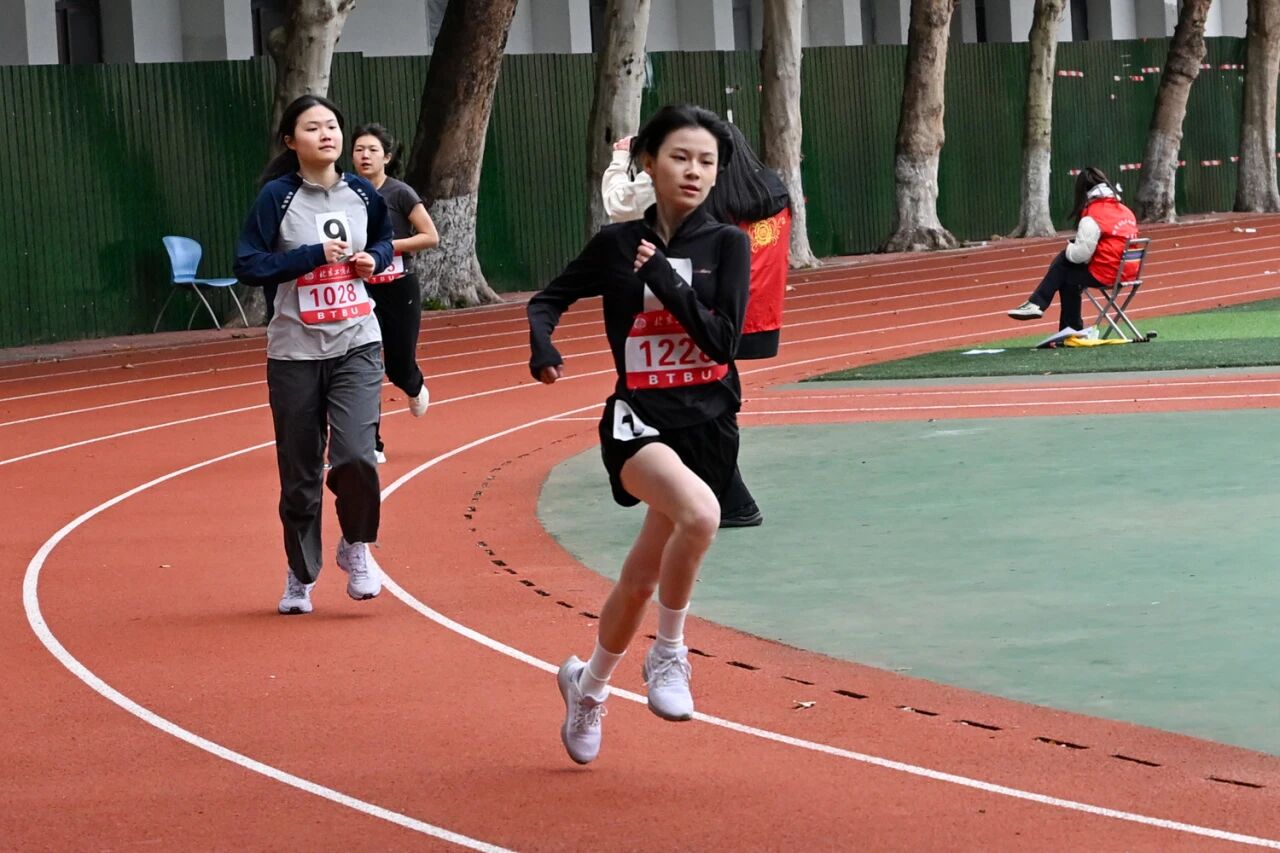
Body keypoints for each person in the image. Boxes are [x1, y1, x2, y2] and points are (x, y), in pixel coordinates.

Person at [529, 104, 749, 765]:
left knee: (638, 579)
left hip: (708, 423)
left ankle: (588, 685)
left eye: (707, 161)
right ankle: (670, 654)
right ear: (649, 162)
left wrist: (664, 280)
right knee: (701, 515)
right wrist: (542, 343)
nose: (693, 171)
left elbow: (722, 339)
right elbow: (548, 298)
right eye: (680, 157)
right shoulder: (617, 243)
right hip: (638, 420)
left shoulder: (727, 244)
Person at [234, 94, 394, 615]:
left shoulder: (363, 194)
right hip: (294, 352)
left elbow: (386, 239)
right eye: (312, 127)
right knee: (301, 472)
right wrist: (308, 257)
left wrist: (375, 258)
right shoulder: (276, 198)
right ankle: (301, 574)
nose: (326, 134)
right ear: (290, 141)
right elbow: (248, 264)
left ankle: (357, 544)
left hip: (357, 341)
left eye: (332, 126)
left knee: (356, 456)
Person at [601, 123, 791, 527]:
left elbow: (618, 205)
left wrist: (620, 159)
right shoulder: (770, 189)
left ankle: (730, 501)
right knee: (704, 405)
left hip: (692, 312)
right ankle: (705, 493)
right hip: (753, 311)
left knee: (689, 408)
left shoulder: (682, 194)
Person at [351, 123, 439, 463]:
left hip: (398, 287)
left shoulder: (400, 193)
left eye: (372, 150)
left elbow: (430, 236)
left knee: (398, 366)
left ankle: (413, 385)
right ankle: (371, 443)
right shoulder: (344, 193)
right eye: (359, 149)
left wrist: (385, 249)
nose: (365, 156)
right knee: (363, 366)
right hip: (359, 289)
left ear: (386, 157)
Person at [1008, 166, 1139, 331]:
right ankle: (1062, 322)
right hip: (1129, 271)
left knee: (1064, 263)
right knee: (1068, 276)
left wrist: (1070, 247)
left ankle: (1044, 308)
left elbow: (1080, 256)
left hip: (1107, 273)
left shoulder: (1093, 214)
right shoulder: (1125, 211)